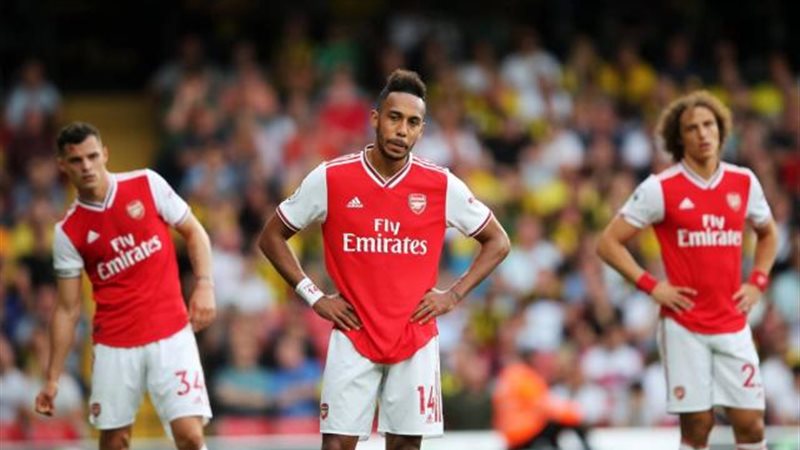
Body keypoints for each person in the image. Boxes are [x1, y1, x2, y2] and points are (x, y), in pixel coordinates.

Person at [258, 69, 510, 450]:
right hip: (353, 332)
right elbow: (271, 236)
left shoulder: (440, 185)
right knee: (336, 446)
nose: (402, 130)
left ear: (421, 130)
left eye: (413, 122)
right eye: (394, 118)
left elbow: (498, 241)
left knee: (406, 446)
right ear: (376, 119)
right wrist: (315, 297)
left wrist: (453, 295)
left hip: (414, 336)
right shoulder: (332, 178)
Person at [597, 91, 777, 450]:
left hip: (732, 320)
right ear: (679, 139)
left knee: (751, 424)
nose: (702, 133)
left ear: (721, 129)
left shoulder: (743, 182)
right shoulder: (660, 188)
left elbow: (768, 233)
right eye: (692, 128)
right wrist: (651, 286)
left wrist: (757, 282)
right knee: (698, 425)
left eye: (709, 124)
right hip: (684, 324)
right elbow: (608, 243)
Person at [34, 122, 216, 450]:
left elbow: (195, 232)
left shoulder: (147, 183)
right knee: (115, 442)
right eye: (76, 160)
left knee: (190, 434)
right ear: (62, 165)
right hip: (115, 345)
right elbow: (67, 308)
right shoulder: (68, 231)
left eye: (92, 156)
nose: (86, 166)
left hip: (172, 333)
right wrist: (52, 378)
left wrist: (204, 284)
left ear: (105, 154)